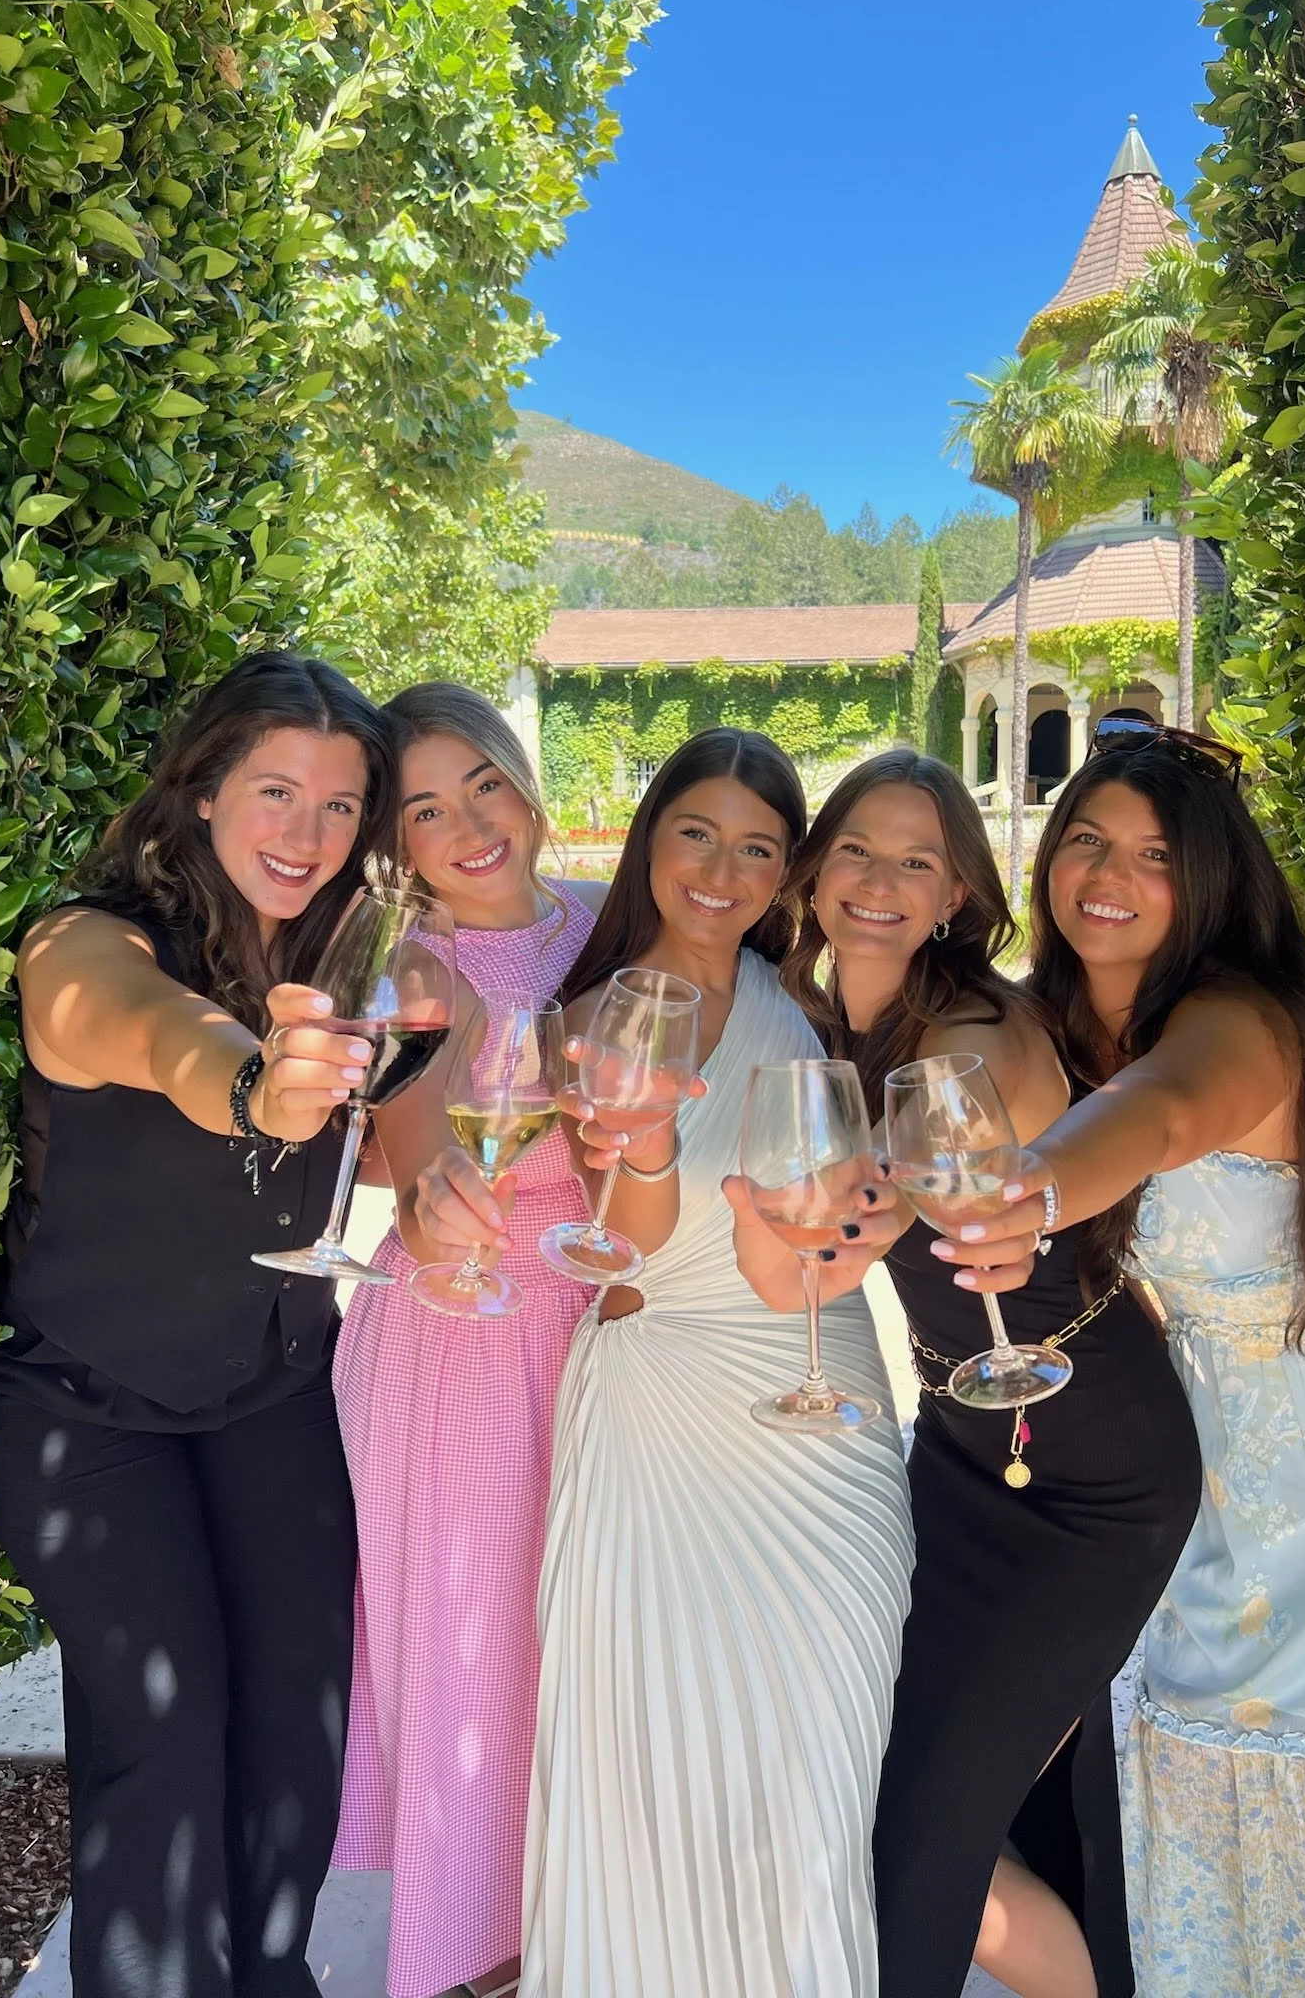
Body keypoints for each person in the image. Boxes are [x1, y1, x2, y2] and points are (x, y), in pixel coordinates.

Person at [941, 719, 1305, 1997]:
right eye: (1086, 838)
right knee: (1176, 1754)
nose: (1108, 874)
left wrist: (1033, 1189)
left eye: (1157, 854)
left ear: (1213, 880)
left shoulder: (1239, 1019)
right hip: (1208, 1462)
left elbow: (1158, 1115)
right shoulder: (1055, 1025)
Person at [418, 727, 911, 1998]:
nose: (721, 869)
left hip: (824, 1413)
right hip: (662, 1419)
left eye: (758, 846)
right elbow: (623, 1246)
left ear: (788, 871)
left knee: (815, 1779)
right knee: (652, 1773)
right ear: (651, 841)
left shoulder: (802, 1006)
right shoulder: (598, 1018)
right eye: (696, 832)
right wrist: (639, 1144)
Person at [744, 747, 1200, 1998]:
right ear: (814, 868)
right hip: (961, 1447)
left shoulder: (977, 1028)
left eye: (917, 860)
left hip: (1091, 1464)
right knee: (895, 1797)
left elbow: (937, 1155)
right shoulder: (818, 1015)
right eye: (856, 848)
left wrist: (861, 1199)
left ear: (955, 893)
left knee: (915, 1832)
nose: (879, 880)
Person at [0, 652, 399, 1998]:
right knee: (161, 1737)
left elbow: (396, 1138)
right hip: (89, 1411)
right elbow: (149, 1031)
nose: (307, 831)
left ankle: (271, 1976)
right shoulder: (88, 941)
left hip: (273, 1391)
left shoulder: (343, 961)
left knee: (296, 1723)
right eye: (276, 790)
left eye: (340, 804)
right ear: (203, 790)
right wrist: (255, 1086)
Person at [330, 683, 604, 1998]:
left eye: (483, 783)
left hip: (600, 1322)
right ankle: (476, 1957)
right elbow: (418, 1156)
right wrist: (437, 1205)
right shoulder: (415, 970)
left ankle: (589, 1931)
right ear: (399, 841)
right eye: (426, 810)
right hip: (462, 1331)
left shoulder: (611, 920)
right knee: (477, 1651)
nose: (468, 825)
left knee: (588, 1644)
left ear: (523, 778)